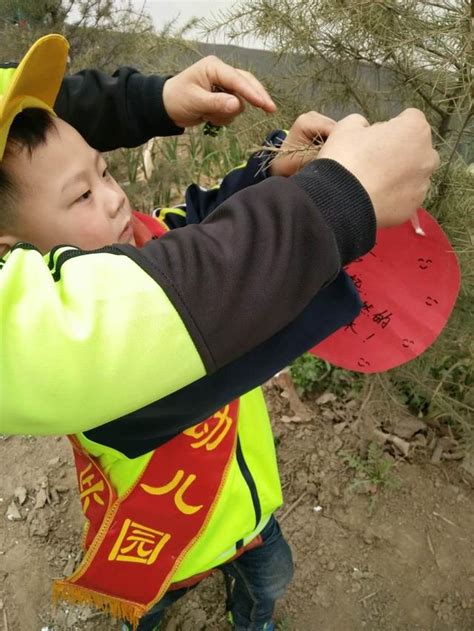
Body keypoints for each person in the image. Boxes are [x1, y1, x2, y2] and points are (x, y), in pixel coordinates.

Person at [0, 34, 439, 629]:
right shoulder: (73, 358)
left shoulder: (144, 244)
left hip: (249, 510)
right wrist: (337, 201)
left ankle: (253, 618)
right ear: (15, 254)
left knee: (268, 581)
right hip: (162, 535)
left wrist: (271, 174)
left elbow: (197, 230)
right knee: (153, 601)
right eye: (81, 194)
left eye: (105, 170)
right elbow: (191, 311)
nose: (115, 199)